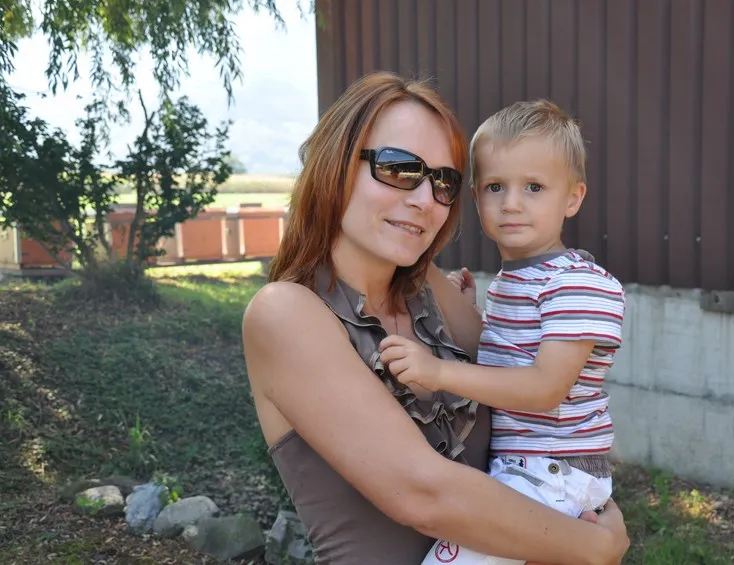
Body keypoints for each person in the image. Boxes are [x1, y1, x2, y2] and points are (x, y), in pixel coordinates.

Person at [242, 71, 629, 565]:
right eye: (399, 167)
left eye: (443, 181)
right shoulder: (286, 313)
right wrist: (596, 546)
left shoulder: (432, 293)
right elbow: (422, 493)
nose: (425, 200)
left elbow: (536, 390)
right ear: (336, 165)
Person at [379, 100, 627, 565]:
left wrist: (437, 373)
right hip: (527, 467)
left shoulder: (576, 283)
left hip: (554, 470)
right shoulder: (516, 280)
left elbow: (544, 389)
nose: (511, 203)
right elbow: (515, 355)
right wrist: (473, 314)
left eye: (534, 187)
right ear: (476, 198)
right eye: (496, 187)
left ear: (572, 198)